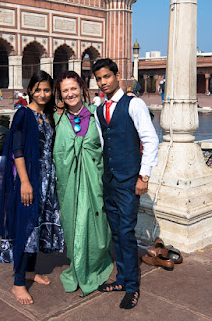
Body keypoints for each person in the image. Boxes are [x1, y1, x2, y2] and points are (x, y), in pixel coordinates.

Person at [92, 59, 159, 310]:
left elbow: (150, 140)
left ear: (117, 75)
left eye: (107, 77)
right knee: (116, 232)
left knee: (127, 232)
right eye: (99, 79)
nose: (103, 82)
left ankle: (132, 287)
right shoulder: (100, 109)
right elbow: (104, 142)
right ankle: (121, 279)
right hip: (110, 180)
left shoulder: (134, 104)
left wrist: (143, 177)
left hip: (130, 180)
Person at [0, 71, 64, 305]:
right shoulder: (23, 115)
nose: (43, 94)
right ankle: (18, 283)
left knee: (37, 226)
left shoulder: (49, 116)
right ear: (30, 90)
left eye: (47, 90)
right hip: (30, 179)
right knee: (26, 227)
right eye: (38, 89)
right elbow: (17, 150)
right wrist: (25, 182)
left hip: (47, 179)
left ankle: (31, 270)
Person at [53, 70, 113, 297]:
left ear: (82, 89)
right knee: (72, 227)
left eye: (73, 88)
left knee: (96, 226)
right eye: (65, 90)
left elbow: (107, 148)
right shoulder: (57, 119)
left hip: (94, 182)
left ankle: (95, 265)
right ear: (60, 94)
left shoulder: (97, 115)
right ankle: (77, 266)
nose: (70, 94)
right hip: (68, 185)